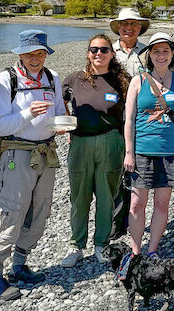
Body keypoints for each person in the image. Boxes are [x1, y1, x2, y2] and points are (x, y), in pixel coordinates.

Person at [0, 30, 67, 301]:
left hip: (46, 153)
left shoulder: (51, 78)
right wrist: (27, 113)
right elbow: (0, 125)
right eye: (30, 53)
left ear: (46, 54)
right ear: (20, 54)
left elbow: (59, 114)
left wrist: (62, 125)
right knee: (12, 211)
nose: (35, 58)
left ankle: (19, 267)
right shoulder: (6, 79)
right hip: (16, 155)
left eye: (40, 53)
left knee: (40, 211)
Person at [60, 34, 130, 267]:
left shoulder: (122, 81)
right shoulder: (74, 79)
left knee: (106, 196)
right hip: (80, 143)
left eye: (103, 50)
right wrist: (64, 122)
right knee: (79, 196)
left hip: (112, 142)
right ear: (88, 53)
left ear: (112, 54)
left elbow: (134, 113)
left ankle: (101, 243)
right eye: (93, 50)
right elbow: (56, 104)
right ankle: (76, 245)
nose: (98, 54)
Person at [124, 32, 174, 256]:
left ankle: (152, 250)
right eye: (156, 51)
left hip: (171, 151)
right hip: (143, 150)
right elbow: (129, 119)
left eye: (165, 51)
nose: (161, 56)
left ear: (172, 54)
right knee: (136, 204)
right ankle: (135, 251)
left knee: (162, 204)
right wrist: (129, 152)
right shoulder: (138, 81)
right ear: (149, 55)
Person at [111, 7, 150, 77]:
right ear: (118, 26)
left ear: (140, 27)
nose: (129, 27)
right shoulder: (108, 51)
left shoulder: (148, 52)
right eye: (124, 23)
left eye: (134, 23)